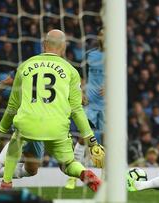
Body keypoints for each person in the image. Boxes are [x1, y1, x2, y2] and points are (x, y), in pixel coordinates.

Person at [0, 29, 104, 191]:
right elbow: (77, 110)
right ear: (64, 46)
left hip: (28, 125)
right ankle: (83, 173)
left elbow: (12, 107)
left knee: (17, 139)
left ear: (43, 45)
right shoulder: (71, 71)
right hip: (56, 127)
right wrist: (92, 142)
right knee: (67, 164)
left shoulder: (25, 66)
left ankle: (5, 182)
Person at [66, 27, 105, 189]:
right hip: (90, 102)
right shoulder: (91, 55)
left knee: (107, 141)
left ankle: (105, 178)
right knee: (84, 136)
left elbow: (123, 77)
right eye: (102, 34)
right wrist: (81, 91)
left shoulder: (117, 55)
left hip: (108, 105)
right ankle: (73, 176)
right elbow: (81, 76)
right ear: (99, 37)